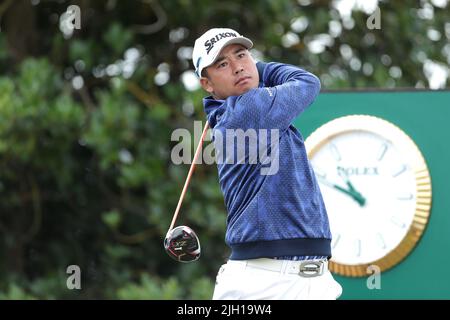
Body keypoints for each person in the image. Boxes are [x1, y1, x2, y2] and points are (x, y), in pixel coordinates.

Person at [192, 27, 342, 300]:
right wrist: (258, 68)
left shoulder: (249, 109)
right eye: (223, 64)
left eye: (242, 56)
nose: (238, 68)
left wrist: (249, 69)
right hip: (263, 284)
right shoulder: (246, 111)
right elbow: (307, 82)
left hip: (313, 280)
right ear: (207, 84)